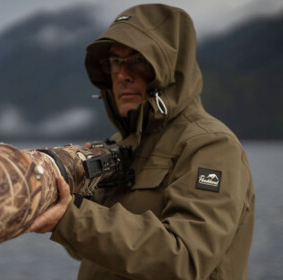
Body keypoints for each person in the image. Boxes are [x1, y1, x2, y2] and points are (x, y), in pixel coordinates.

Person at [28, 4, 254, 279]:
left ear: (170, 68)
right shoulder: (119, 145)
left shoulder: (211, 147)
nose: (123, 74)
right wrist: (76, 195)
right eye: (115, 62)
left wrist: (73, 218)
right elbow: (90, 250)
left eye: (138, 60)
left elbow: (184, 259)